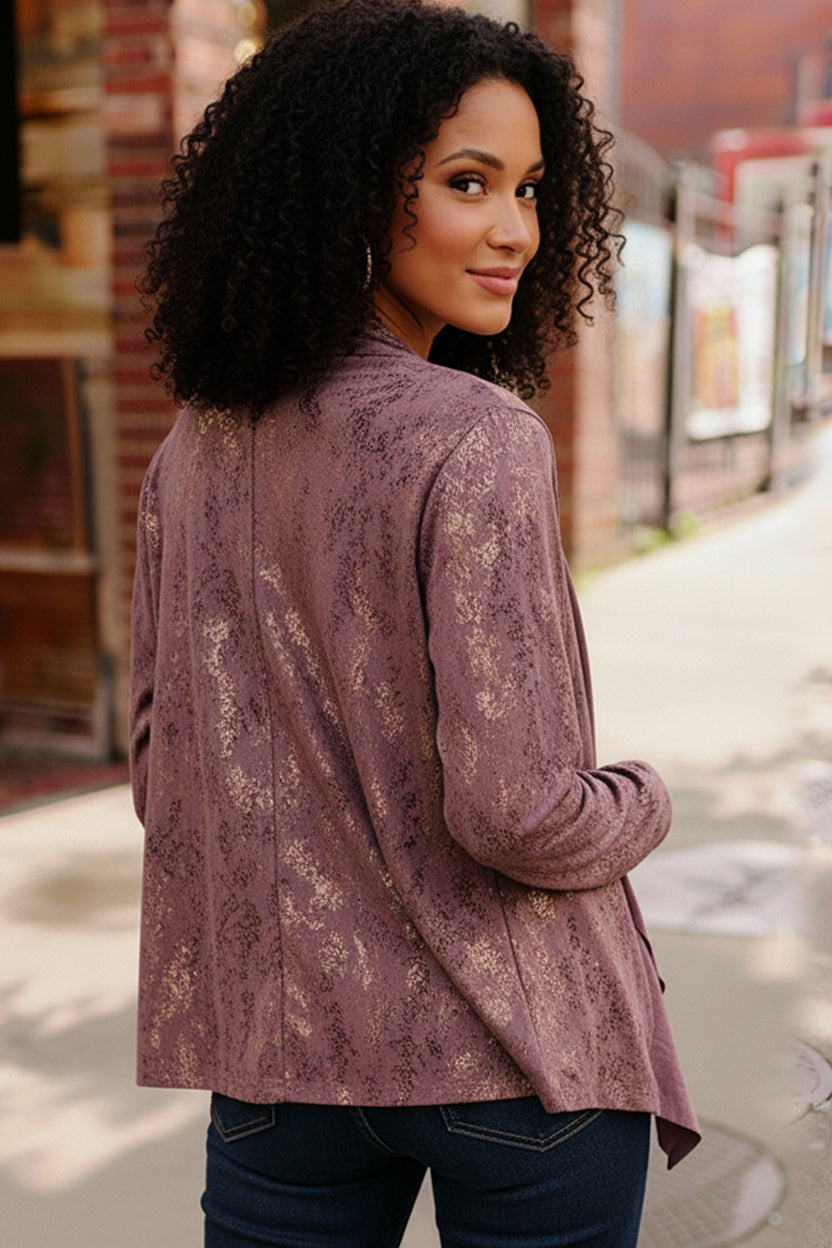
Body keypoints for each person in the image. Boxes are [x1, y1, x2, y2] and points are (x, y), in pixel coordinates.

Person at [130, 2, 699, 1244]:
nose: (516, 231)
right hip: (510, 1058)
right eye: (466, 183)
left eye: (530, 189)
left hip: (284, 1066)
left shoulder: (191, 449)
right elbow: (518, 811)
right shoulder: (474, 438)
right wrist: (644, 801)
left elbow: (162, 773)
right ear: (346, 191)